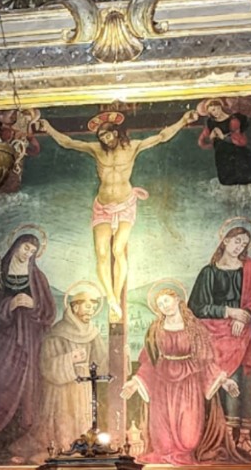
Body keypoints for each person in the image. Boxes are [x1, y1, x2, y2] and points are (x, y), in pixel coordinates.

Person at [35, 99, 223, 311]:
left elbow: (161, 137)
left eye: (108, 135)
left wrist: (182, 121)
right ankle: (111, 297)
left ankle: (116, 294)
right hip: (103, 206)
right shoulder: (96, 149)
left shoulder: (133, 147)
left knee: (118, 249)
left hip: (125, 204)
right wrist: (48, 128)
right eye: (102, 137)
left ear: (116, 133)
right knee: (102, 253)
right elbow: (68, 142)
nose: (105, 139)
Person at [124, 284, 243, 467]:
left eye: (166, 300)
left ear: (177, 299)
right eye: (160, 304)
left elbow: (205, 360)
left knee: (189, 439)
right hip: (162, 384)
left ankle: (184, 453)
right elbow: (149, 361)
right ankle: (165, 452)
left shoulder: (194, 328)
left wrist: (224, 381)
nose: (164, 306)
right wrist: (134, 382)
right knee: (163, 441)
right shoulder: (155, 329)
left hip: (190, 382)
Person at [0, 230, 55, 461]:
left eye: (32, 251)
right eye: (25, 247)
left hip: (29, 340)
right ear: (16, 245)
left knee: (28, 388)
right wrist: (9, 305)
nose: (27, 253)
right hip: (1, 342)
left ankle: (19, 441)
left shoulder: (37, 278)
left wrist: (33, 303)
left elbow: (49, 311)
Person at [188, 221, 251, 442]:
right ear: (225, 240)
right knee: (216, 379)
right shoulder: (209, 272)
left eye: (244, 244)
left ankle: (243, 436)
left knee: (243, 381)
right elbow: (196, 307)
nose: (240, 247)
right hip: (213, 336)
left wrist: (245, 315)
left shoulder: (249, 269)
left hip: (242, 336)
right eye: (237, 241)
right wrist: (229, 312)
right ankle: (217, 436)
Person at [38, 284, 103, 454]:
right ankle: (65, 448)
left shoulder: (93, 332)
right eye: (88, 306)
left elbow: (102, 361)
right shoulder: (57, 332)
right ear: (75, 306)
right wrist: (70, 358)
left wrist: (123, 355)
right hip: (63, 388)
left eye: (94, 307)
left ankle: (84, 449)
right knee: (65, 418)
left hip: (84, 384)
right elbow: (47, 365)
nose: (91, 310)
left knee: (83, 417)